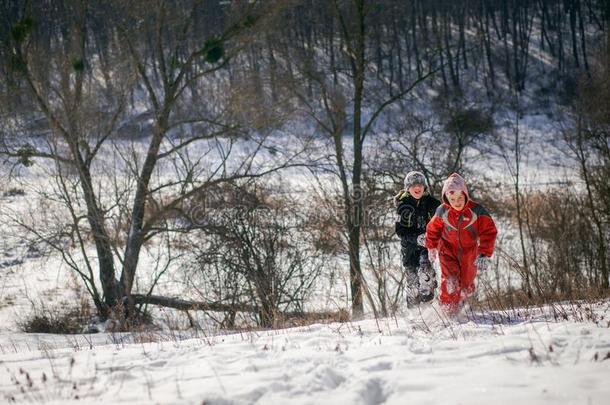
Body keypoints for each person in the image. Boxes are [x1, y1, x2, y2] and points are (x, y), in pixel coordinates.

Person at [424, 173, 497, 316]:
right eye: (452, 199)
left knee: (466, 285)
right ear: (447, 199)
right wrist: (431, 246)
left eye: (459, 198)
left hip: (469, 253)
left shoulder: (476, 211)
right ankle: (447, 311)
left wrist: (484, 254)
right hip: (447, 250)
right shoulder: (442, 211)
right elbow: (432, 229)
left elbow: (489, 232)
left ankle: (462, 306)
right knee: (450, 281)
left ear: (465, 195)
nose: (456, 202)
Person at [394, 171, 441, 307]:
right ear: (408, 188)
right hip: (409, 249)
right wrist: (416, 238)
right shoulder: (403, 206)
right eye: (414, 185)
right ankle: (413, 312)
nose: (417, 187)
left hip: (426, 247)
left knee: (425, 273)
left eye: (420, 184)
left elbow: (442, 212)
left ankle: (428, 306)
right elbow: (400, 231)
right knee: (413, 283)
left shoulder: (430, 202)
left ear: (424, 187)